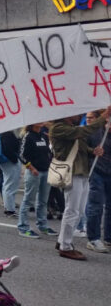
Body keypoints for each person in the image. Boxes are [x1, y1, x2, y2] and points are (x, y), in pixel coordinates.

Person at [49, 107, 110, 260]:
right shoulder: (58, 128)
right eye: (77, 113)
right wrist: (104, 117)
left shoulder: (70, 128)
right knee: (72, 210)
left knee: (79, 211)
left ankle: (62, 240)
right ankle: (66, 246)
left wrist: (92, 151)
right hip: (72, 173)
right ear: (67, 114)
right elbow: (84, 132)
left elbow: (81, 147)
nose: (80, 115)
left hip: (82, 172)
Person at [17, 123, 56, 238]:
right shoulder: (28, 136)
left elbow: (48, 153)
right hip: (34, 173)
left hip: (46, 172)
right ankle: (23, 227)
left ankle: (42, 225)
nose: (41, 121)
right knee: (28, 200)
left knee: (43, 201)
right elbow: (22, 155)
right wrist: (31, 168)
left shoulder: (44, 136)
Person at [85, 110, 111, 253]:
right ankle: (93, 239)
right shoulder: (94, 132)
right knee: (96, 205)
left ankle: (109, 237)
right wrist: (93, 151)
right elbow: (84, 149)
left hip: (110, 172)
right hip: (97, 171)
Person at [0, 130, 22, 216]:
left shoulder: (1, 134)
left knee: (7, 184)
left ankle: (9, 207)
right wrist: (15, 159)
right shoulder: (7, 134)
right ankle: (10, 209)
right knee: (10, 185)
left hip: (5, 161)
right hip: (10, 161)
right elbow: (8, 149)